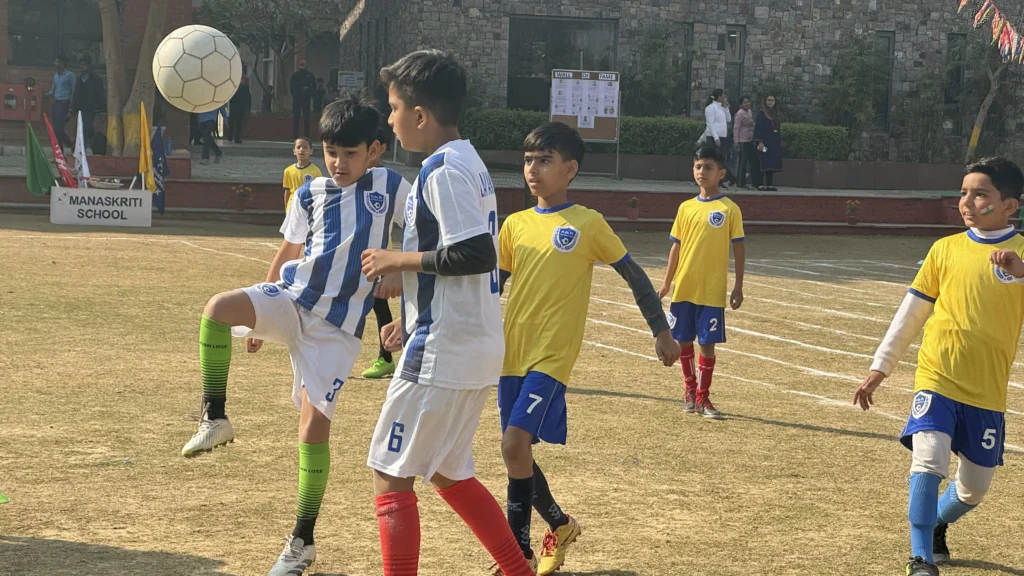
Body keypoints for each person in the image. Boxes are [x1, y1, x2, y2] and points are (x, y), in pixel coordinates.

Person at [180, 94, 408, 576]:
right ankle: (215, 417)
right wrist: (259, 315)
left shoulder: (391, 185)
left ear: (375, 151)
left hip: (337, 331)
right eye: (332, 153)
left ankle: (302, 541)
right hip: (291, 299)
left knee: (311, 431)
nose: (338, 163)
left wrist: (403, 278)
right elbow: (289, 250)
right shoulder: (310, 193)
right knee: (218, 309)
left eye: (350, 154)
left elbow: (421, 239)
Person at [359, 49, 535, 576]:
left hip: (445, 350)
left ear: (419, 115)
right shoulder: (467, 160)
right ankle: (518, 570)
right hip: (466, 343)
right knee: (447, 471)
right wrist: (409, 317)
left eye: (393, 108)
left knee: (390, 474)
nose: (389, 120)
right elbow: (458, 258)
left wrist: (399, 258)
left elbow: (478, 252)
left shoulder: (441, 169)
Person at [495, 121, 680, 575]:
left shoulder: (588, 223)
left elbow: (633, 275)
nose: (532, 169)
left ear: (570, 169)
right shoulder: (514, 225)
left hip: (552, 356)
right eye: (527, 160)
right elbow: (487, 291)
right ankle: (559, 525)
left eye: (544, 161)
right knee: (517, 453)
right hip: (510, 355)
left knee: (513, 444)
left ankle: (516, 556)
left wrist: (661, 331)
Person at [853, 158, 1024, 576]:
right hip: (938, 374)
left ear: (1010, 207)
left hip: (986, 390)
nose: (966, 201)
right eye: (964, 192)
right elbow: (911, 313)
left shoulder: (1021, 256)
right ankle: (920, 558)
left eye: (980, 194)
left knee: (974, 488)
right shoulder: (944, 249)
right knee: (928, 459)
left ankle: (938, 525)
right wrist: (881, 366)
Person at [658, 145, 745, 419]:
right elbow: (676, 247)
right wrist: (666, 283)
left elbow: (739, 247)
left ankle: (703, 397)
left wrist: (738, 285)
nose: (701, 172)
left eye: (708, 167)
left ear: (721, 173)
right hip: (685, 287)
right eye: (697, 166)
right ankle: (689, 391)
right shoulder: (685, 208)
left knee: (707, 344)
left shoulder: (729, 209)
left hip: (711, 290)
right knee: (683, 341)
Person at [361, 123, 411, 380]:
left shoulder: (391, 184)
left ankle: (386, 357)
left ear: (379, 149)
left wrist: (397, 266)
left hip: (380, 263)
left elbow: (416, 226)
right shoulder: (343, 180)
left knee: (379, 307)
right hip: (354, 264)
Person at [701, 89, 736, 187]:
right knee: (716, 159)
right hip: (713, 137)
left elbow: (729, 119)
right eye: (723, 96)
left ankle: (720, 180)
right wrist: (716, 138)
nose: (725, 98)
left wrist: (726, 108)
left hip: (723, 136)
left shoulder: (722, 108)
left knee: (720, 160)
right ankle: (730, 178)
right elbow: (710, 124)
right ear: (719, 96)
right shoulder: (710, 108)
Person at [71, 62, 105, 153]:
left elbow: (101, 94)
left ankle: (82, 150)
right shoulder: (79, 79)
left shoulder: (96, 79)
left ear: (89, 66)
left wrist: (102, 110)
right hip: (81, 108)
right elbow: (76, 94)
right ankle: (97, 148)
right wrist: (73, 108)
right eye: (81, 65)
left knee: (85, 128)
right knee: (87, 129)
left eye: (84, 64)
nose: (82, 67)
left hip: (92, 108)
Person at [282, 137, 322, 211]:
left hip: (307, 207)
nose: (301, 150)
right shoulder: (288, 171)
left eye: (305, 147)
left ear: (311, 151)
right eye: (298, 147)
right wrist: (286, 209)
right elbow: (287, 192)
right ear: (294, 151)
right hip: (292, 207)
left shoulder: (315, 171)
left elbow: (318, 192)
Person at [45, 55, 76, 151]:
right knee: (55, 130)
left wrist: (71, 108)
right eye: (54, 61)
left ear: (63, 63)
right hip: (57, 103)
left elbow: (74, 91)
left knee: (59, 129)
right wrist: (44, 94)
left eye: (57, 61)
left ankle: (71, 144)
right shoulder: (55, 75)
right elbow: (53, 90)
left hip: (65, 103)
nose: (55, 64)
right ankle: (60, 155)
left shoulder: (70, 75)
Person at [754, 94, 783, 191]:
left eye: (772, 100)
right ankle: (760, 183)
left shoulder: (776, 113)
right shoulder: (761, 114)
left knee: (771, 163)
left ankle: (769, 184)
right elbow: (758, 129)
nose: (771, 102)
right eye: (769, 100)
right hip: (763, 143)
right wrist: (759, 142)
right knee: (762, 162)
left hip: (773, 143)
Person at [290, 60, 316, 139]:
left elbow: (313, 87)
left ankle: (306, 135)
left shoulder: (310, 75)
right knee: (296, 118)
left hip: (304, 99)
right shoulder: (295, 75)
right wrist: (295, 96)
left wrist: (308, 91)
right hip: (298, 99)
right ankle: (295, 135)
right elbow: (291, 87)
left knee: (305, 118)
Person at [733, 96, 754, 189]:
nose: (747, 104)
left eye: (748, 102)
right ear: (741, 104)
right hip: (742, 140)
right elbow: (736, 127)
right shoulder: (740, 113)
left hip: (749, 139)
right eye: (745, 102)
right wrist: (736, 141)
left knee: (747, 161)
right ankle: (740, 182)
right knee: (742, 161)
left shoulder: (749, 112)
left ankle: (744, 181)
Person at [229, 75, 251, 144]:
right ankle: (236, 137)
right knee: (238, 123)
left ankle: (232, 135)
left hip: (235, 107)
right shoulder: (245, 90)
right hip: (239, 107)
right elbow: (248, 99)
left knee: (234, 122)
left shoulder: (236, 88)